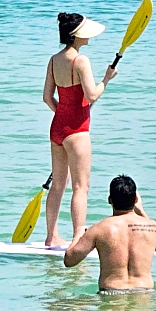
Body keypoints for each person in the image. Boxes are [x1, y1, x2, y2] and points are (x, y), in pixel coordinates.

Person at [42, 12, 117, 248]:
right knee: (80, 186)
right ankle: (77, 237)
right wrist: (107, 79)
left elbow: (47, 98)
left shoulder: (54, 60)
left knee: (58, 185)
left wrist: (64, 114)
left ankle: (51, 236)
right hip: (77, 130)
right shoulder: (81, 61)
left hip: (57, 128)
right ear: (77, 36)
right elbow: (92, 94)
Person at [64, 175, 156, 294]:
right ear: (136, 200)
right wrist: (141, 211)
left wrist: (77, 235)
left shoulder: (99, 229)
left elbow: (69, 261)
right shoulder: (153, 227)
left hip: (111, 293)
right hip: (145, 293)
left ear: (110, 200)